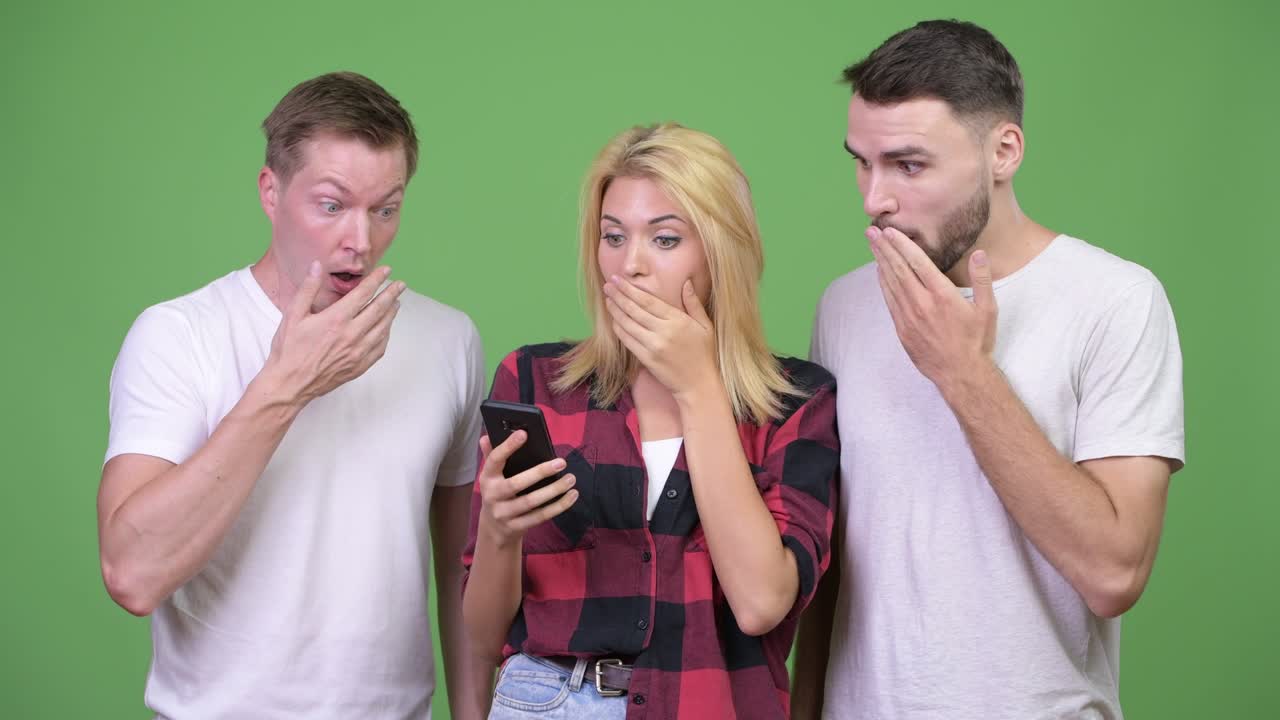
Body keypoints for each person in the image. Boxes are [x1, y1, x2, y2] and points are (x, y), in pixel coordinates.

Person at [791, 20, 1185, 719]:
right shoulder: (845, 306)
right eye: (862, 161)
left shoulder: (1116, 301)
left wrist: (963, 376)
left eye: (909, 165)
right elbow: (833, 564)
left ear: (1004, 151)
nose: (874, 198)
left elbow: (1114, 572)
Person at [97, 71, 490, 719]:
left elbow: (460, 572)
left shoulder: (450, 339)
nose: (360, 242)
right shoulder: (179, 335)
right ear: (270, 191)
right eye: (332, 205)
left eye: (385, 208)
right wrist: (285, 387)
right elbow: (133, 573)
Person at [461, 123, 840, 719]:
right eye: (613, 237)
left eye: (664, 240)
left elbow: (762, 603)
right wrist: (500, 531)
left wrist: (698, 387)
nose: (630, 265)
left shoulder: (796, 402)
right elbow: (484, 641)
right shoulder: (534, 382)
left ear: (721, 251)